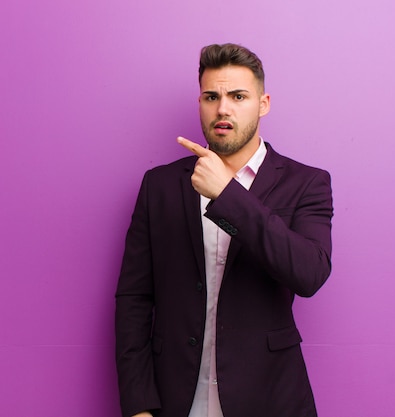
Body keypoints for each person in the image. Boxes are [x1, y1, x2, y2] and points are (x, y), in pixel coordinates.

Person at [115, 43, 333, 417]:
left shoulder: (307, 182)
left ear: (263, 103)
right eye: (211, 96)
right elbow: (134, 299)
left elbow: (309, 274)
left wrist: (228, 195)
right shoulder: (159, 185)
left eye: (238, 96)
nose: (223, 108)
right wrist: (139, 405)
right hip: (176, 397)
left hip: (269, 397)